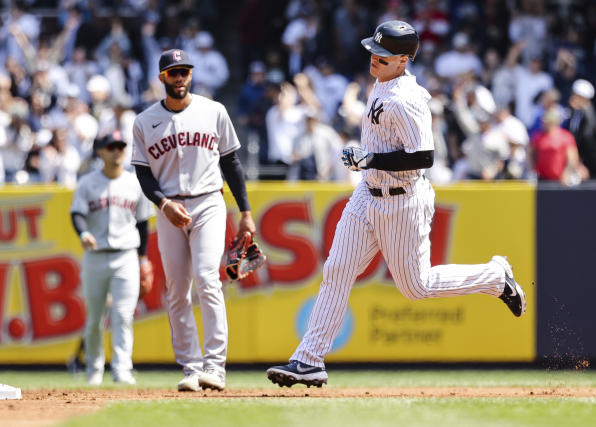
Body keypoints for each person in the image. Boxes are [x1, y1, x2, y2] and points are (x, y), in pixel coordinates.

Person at [266, 21, 527, 388]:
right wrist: (369, 164)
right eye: (374, 50)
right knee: (338, 268)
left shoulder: (406, 99)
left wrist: (370, 159)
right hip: (366, 194)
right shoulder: (382, 81)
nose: (375, 57)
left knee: (416, 287)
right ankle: (308, 360)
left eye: (385, 55)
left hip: (402, 200)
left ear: (404, 60)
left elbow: (424, 157)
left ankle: (495, 277)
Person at [131, 49, 257, 392]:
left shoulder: (213, 111)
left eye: (184, 71)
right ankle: (190, 367)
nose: (180, 77)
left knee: (206, 278)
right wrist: (163, 203)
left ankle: (214, 367)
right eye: (173, 73)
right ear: (162, 79)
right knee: (176, 292)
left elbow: (232, 163)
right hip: (169, 208)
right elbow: (143, 175)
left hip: (208, 203)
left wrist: (245, 212)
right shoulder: (144, 121)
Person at [69, 130, 154, 385]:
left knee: (123, 315)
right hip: (95, 256)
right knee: (94, 318)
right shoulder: (87, 183)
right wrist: (83, 232)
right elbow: (77, 213)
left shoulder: (134, 183)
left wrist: (143, 259)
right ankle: (94, 369)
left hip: (126, 255)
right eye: (111, 146)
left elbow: (142, 224)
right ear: (101, 151)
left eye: (120, 146)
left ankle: (122, 368)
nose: (117, 151)